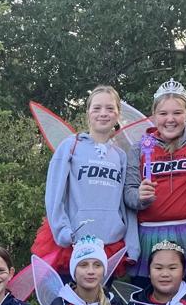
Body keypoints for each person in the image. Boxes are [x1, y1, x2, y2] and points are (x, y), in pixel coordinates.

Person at [32, 85, 138, 276]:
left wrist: (132, 244)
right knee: (70, 295)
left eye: (110, 108)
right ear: (88, 112)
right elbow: (54, 195)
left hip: (109, 244)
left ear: (118, 114)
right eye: (97, 108)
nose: (103, 113)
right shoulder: (70, 146)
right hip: (73, 243)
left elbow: (125, 205)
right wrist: (63, 232)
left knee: (104, 296)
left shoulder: (121, 156)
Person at [124, 78, 186, 280]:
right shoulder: (139, 149)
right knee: (145, 296)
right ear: (154, 116)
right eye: (163, 113)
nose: (170, 119)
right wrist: (139, 197)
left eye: (177, 113)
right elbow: (128, 194)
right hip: (148, 237)